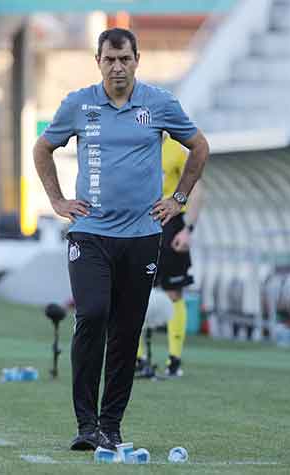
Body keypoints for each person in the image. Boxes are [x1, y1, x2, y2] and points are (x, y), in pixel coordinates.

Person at [33, 28, 209, 451]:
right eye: (109, 59)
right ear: (98, 61)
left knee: (127, 331)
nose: (117, 67)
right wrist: (57, 200)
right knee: (92, 313)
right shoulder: (78, 104)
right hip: (91, 232)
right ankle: (85, 423)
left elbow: (199, 147)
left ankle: (110, 427)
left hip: (144, 235)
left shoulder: (159, 104)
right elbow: (43, 149)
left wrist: (178, 199)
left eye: (124, 59)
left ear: (136, 60)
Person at [136, 134, 205, 377]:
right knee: (134, 291)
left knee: (174, 292)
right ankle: (138, 358)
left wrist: (188, 229)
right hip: (140, 224)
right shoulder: (134, 148)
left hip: (170, 224)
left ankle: (174, 359)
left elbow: (196, 189)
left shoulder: (176, 150)